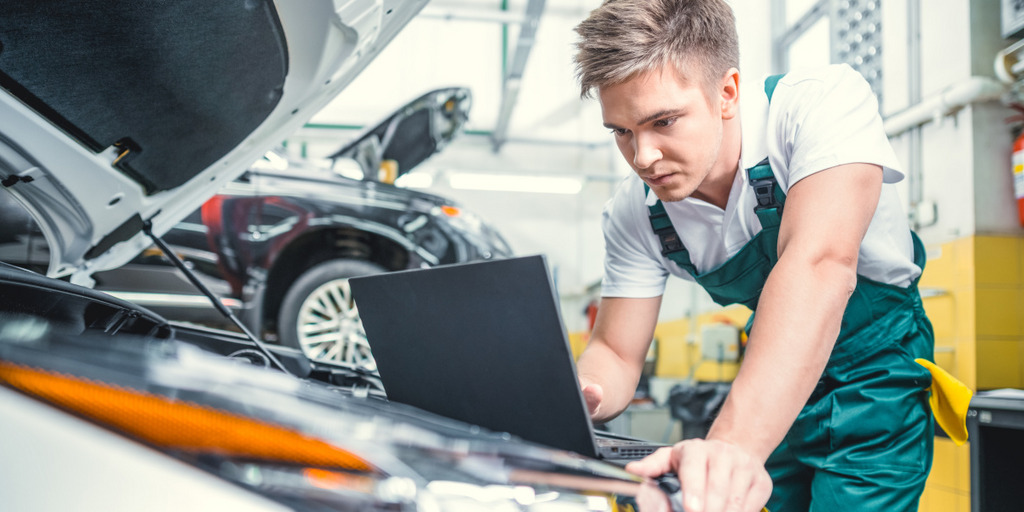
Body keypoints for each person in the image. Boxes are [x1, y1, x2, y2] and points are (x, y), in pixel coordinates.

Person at [571, 1, 936, 511]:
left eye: (664, 121)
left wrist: (730, 448)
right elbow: (615, 351)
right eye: (622, 132)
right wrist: (577, 395)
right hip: (773, 384)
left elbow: (819, 267)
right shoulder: (635, 214)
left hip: (876, 377)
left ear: (727, 93)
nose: (643, 157)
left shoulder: (818, 107)